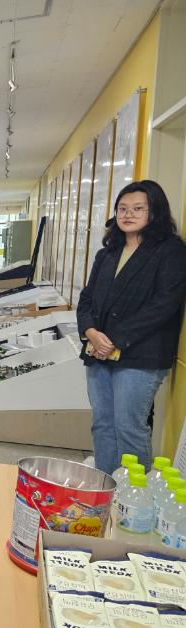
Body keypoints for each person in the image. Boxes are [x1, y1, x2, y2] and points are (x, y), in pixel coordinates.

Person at [77, 180, 186, 476]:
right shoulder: (107, 253)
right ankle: (106, 486)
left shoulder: (170, 250)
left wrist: (114, 339)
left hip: (141, 355)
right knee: (102, 423)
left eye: (138, 208)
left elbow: (164, 304)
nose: (128, 215)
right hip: (98, 351)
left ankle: (131, 495)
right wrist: (90, 332)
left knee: (129, 427)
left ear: (155, 212)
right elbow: (87, 298)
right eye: (122, 208)